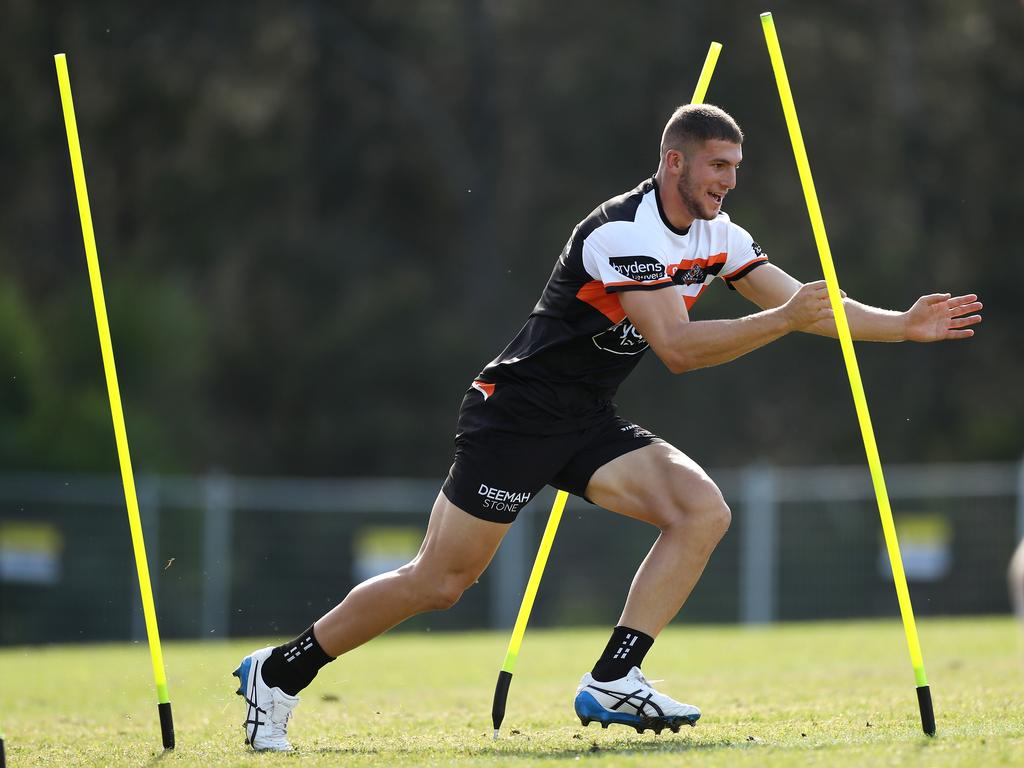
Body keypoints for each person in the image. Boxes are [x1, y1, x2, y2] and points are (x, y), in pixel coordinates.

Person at [232, 104, 983, 751]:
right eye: (717, 166)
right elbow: (681, 351)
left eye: (736, 168)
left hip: (586, 420)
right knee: (441, 582)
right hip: (516, 418)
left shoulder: (719, 234)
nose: (728, 181)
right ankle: (279, 671)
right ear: (674, 162)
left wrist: (901, 327)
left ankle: (615, 677)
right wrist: (782, 320)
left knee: (701, 511)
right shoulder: (621, 233)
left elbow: (809, 303)